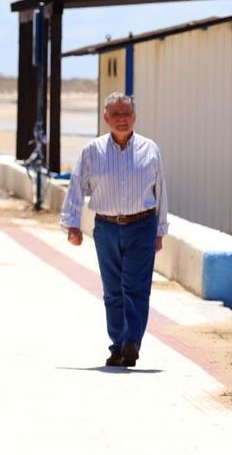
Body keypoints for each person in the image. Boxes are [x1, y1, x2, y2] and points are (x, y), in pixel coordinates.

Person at [60, 92, 169, 368]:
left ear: (134, 117)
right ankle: (118, 345)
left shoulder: (150, 149)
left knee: (136, 287)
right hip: (106, 228)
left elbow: (161, 191)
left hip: (142, 225)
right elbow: (76, 187)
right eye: (116, 114)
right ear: (106, 117)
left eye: (127, 114)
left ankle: (131, 341)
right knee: (113, 290)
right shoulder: (92, 151)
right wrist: (72, 224)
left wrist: (159, 230)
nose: (122, 119)